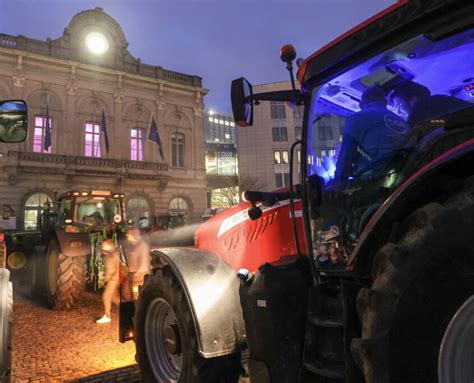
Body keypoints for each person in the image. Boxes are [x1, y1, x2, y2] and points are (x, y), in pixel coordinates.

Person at [334, 87, 409, 182]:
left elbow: (346, 154)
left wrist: (338, 180)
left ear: (361, 103)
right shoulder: (401, 121)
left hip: (377, 178)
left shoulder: (356, 118)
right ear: (385, 102)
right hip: (407, 174)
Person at [390, 81, 471, 126]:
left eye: (399, 106)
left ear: (412, 99)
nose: (398, 112)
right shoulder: (445, 101)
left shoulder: (418, 120)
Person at [96, 239, 120, 324]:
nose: (102, 247)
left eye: (104, 245)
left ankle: (107, 316)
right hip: (110, 279)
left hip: (113, 279)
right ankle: (127, 309)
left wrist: (112, 280)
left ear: (110, 246)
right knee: (114, 298)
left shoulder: (115, 255)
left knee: (106, 296)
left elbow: (118, 269)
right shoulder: (108, 255)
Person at [123, 228, 151, 300]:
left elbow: (144, 261)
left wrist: (137, 273)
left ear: (134, 235)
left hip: (140, 275)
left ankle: (136, 309)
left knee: (136, 294)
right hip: (132, 273)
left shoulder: (142, 245)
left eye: (129, 234)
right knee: (127, 292)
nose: (127, 236)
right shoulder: (132, 245)